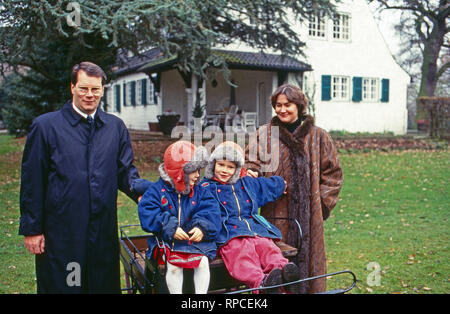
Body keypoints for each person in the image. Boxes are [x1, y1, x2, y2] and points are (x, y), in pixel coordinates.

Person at [19, 61, 141, 293]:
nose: (89, 95)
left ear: (103, 90)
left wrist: (146, 196)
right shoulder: (46, 127)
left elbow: (126, 172)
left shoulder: (114, 127)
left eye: (95, 89)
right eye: (83, 88)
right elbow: (32, 181)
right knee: (67, 286)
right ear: (72, 87)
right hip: (62, 234)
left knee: (101, 286)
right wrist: (32, 229)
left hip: (102, 231)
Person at [245, 84, 343, 293]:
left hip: (310, 218)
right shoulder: (263, 135)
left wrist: (321, 205)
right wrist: (255, 176)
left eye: (287, 105)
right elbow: (250, 165)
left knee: (310, 267)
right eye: (278, 105)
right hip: (275, 213)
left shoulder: (319, 137)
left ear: (299, 106)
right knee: (276, 261)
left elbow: (333, 174)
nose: (282, 110)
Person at [202, 141, 301, 293]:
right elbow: (194, 205)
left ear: (237, 170)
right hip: (229, 233)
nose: (224, 170)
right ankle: (261, 283)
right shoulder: (206, 188)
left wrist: (281, 184)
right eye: (221, 165)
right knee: (242, 255)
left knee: (267, 247)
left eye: (230, 167)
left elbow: (266, 186)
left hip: (254, 229)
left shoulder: (247, 183)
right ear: (213, 164)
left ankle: (284, 274)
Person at [137, 141, 221, 294]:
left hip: (195, 241)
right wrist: (168, 226)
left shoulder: (200, 191)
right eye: (194, 171)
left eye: (199, 170)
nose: (198, 175)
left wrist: (202, 227)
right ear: (178, 174)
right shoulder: (157, 191)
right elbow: (148, 211)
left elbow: (211, 211)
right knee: (174, 266)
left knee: (202, 263)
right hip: (169, 241)